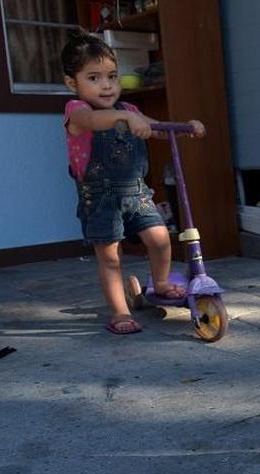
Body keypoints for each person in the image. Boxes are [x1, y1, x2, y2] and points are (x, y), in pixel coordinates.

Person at [60, 29, 205, 335]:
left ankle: (162, 282)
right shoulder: (78, 112)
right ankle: (120, 311)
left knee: (161, 239)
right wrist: (124, 119)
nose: (107, 85)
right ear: (72, 83)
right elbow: (94, 122)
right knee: (111, 257)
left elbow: (156, 129)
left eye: (112, 76)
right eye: (94, 77)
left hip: (137, 193)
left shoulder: (129, 110)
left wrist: (184, 128)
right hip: (100, 199)